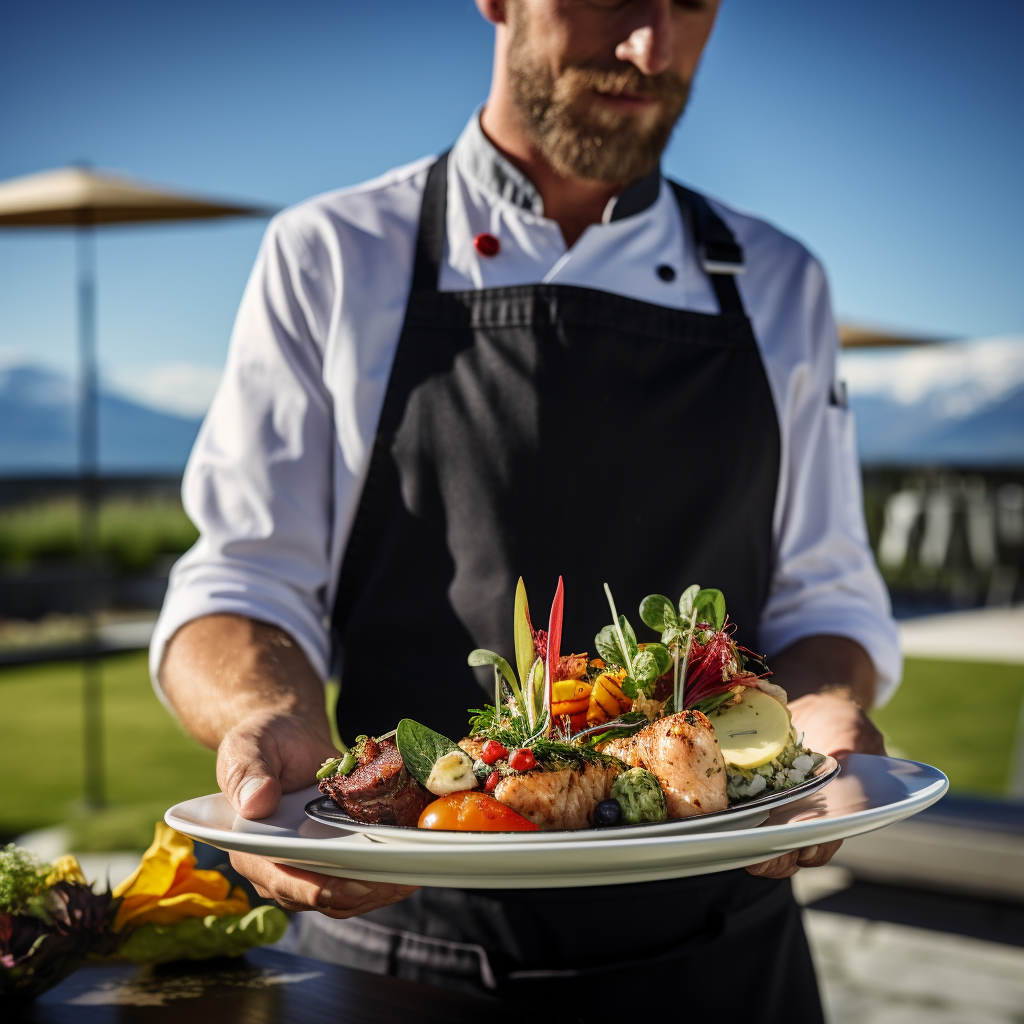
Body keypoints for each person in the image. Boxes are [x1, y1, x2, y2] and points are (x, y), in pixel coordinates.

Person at [152, 0, 899, 1018]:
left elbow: (827, 601)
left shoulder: (775, 283)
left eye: (689, 5)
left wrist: (812, 712)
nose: (650, 46)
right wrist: (266, 716)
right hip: (394, 947)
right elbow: (240, 579)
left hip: (727, 955)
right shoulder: (332, 254)